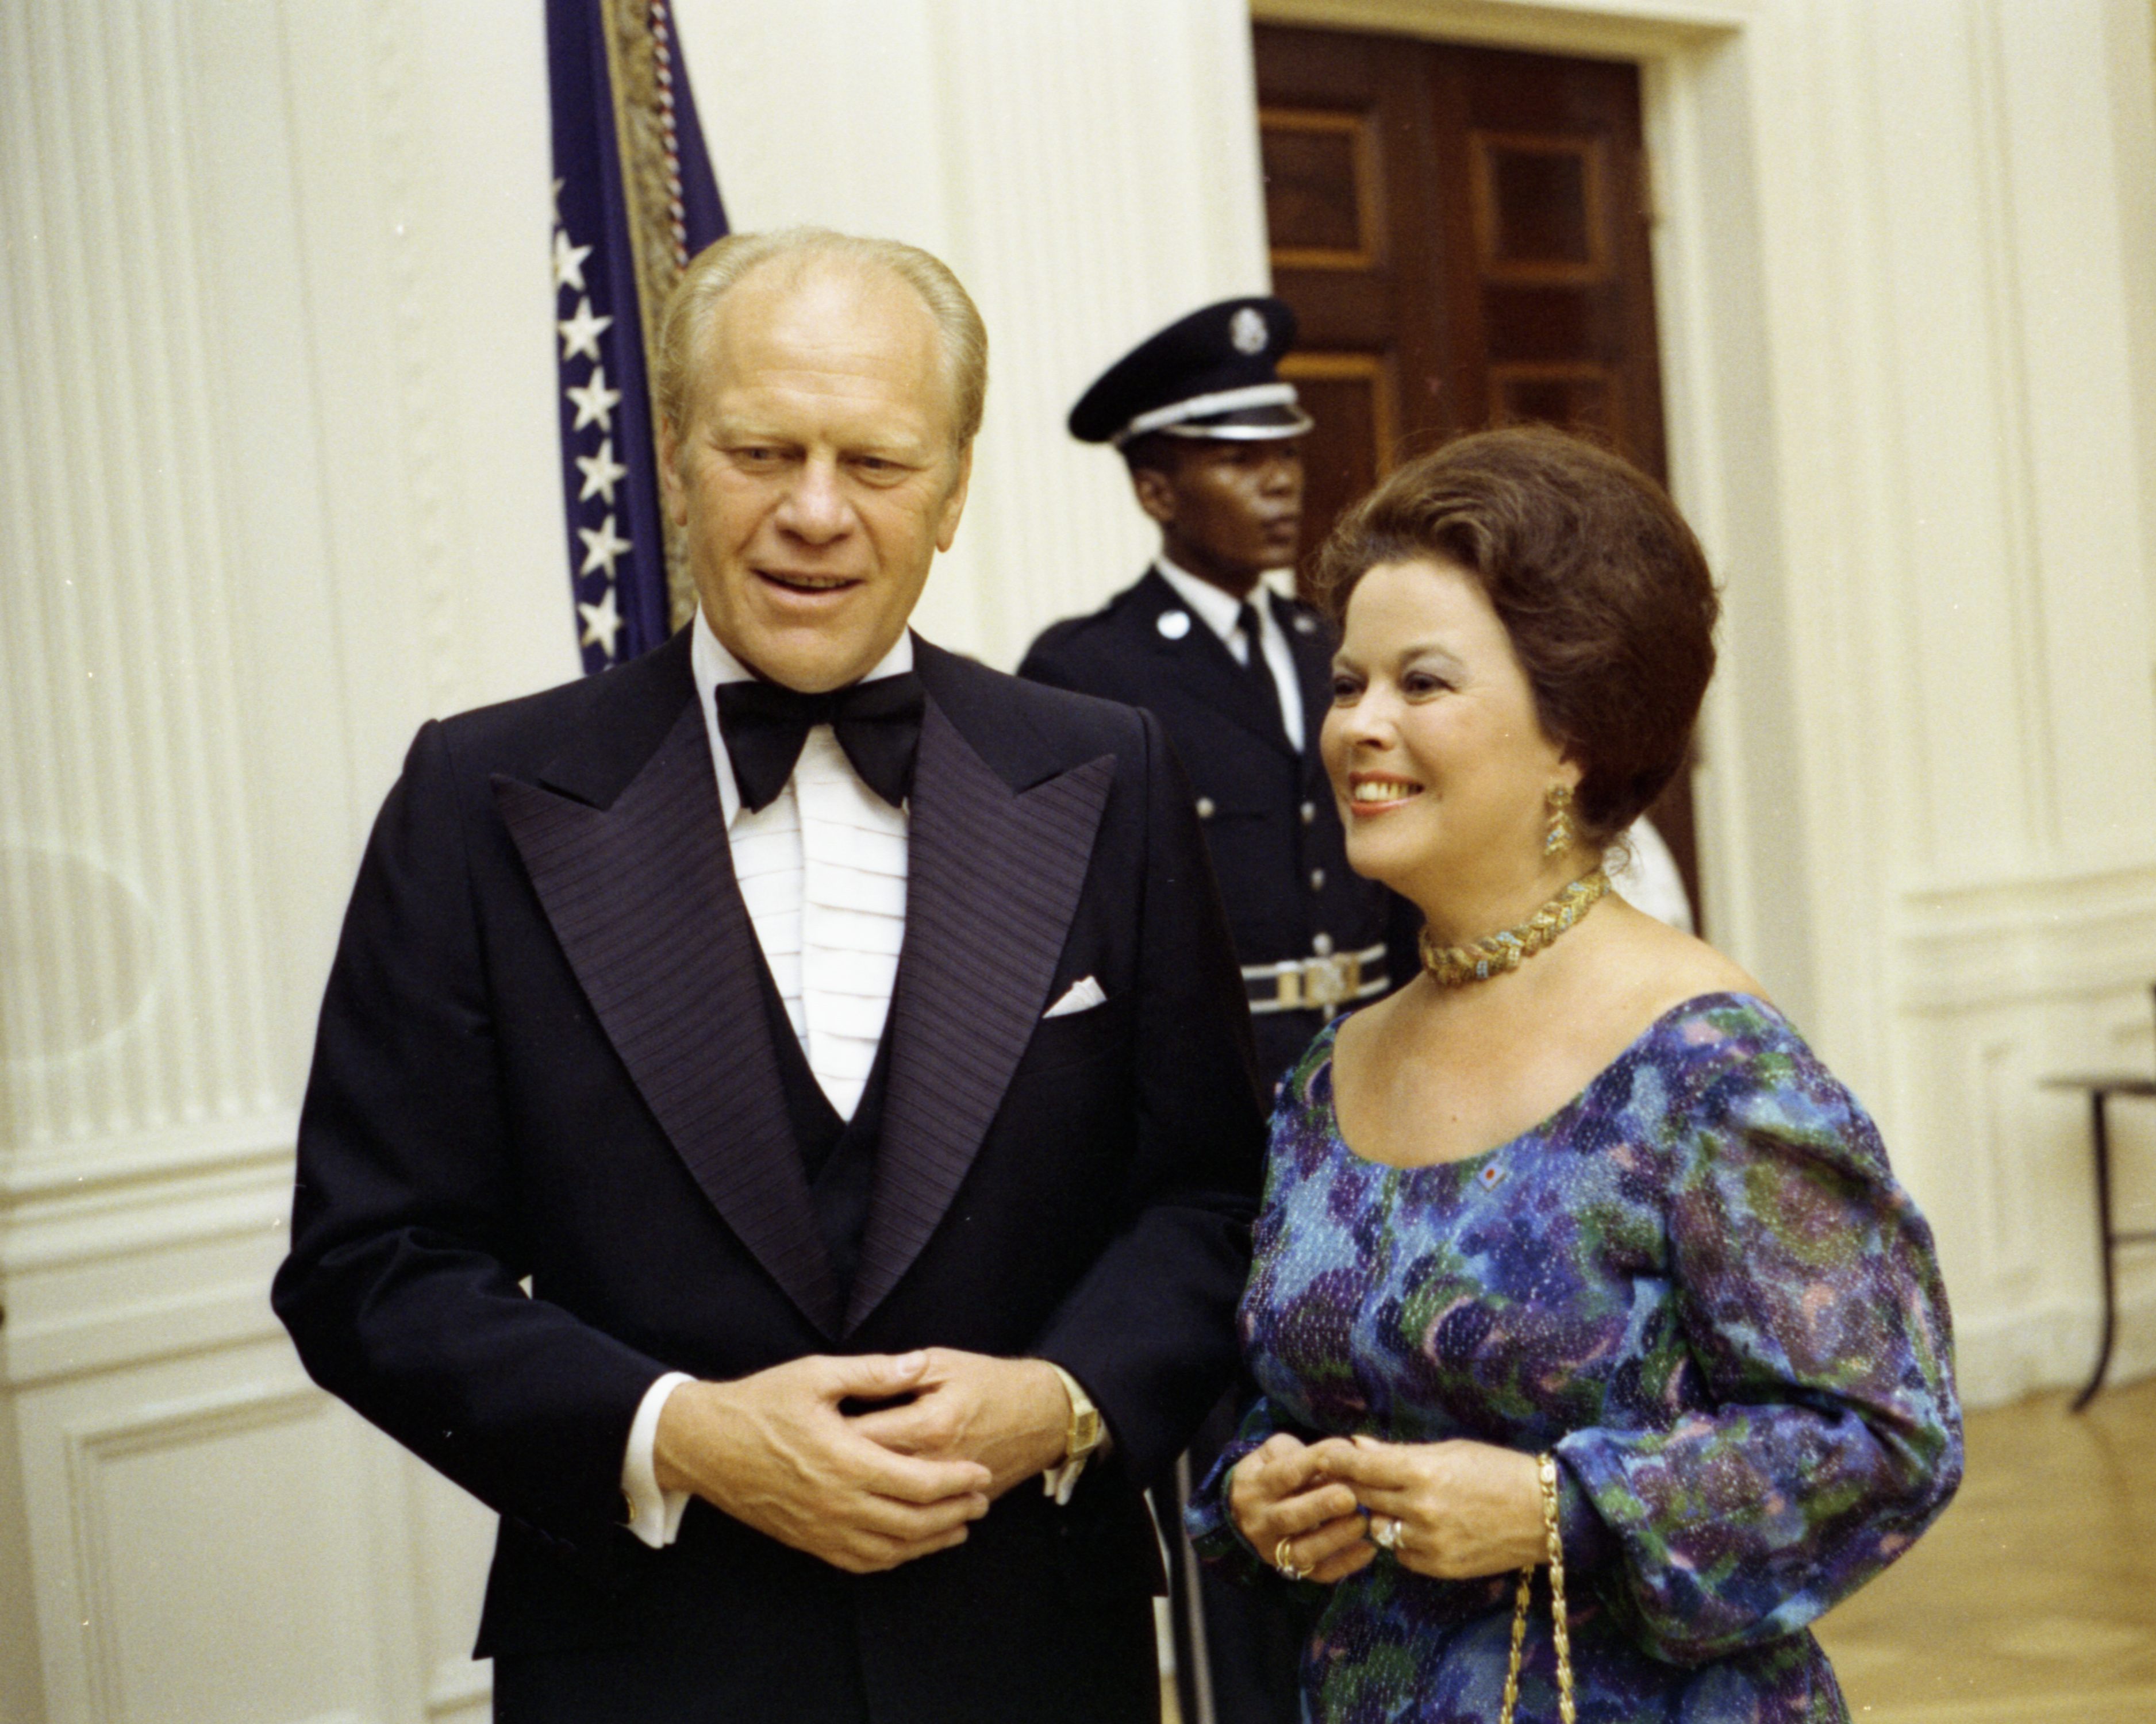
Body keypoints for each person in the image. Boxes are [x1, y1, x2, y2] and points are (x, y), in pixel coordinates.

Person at [272, 227, 1266, 1722]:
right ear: (673, 458)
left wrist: (1056, 1405)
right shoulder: (476, 792)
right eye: (759, 449)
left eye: (874, 462)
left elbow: (1205, 1195)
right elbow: (370, 1268)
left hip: (1030, 1651)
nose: (814, 513)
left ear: (952, 489)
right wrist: (678, 1434)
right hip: (646, 1659)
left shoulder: (1108, 770)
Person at [1184, 426, 1964, 1722]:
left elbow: (1887, 1441)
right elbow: (1304, 1393)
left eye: (1421, 685)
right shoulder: (1331, 1074)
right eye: (1347, 683)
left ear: (1573, 733)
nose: (1359, 728)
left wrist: (1564, 1508)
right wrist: (1258, 1489)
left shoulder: (1707, 1066)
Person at [1023, 298, 1411, 1724]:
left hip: (1371, 1093)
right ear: (1151, 486)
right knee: (1239, 1483)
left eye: (1287, 452)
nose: (1279, 481)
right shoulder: (1086, 671)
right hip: (1212, 1118)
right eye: (1235, 457)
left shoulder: (1338, 646)